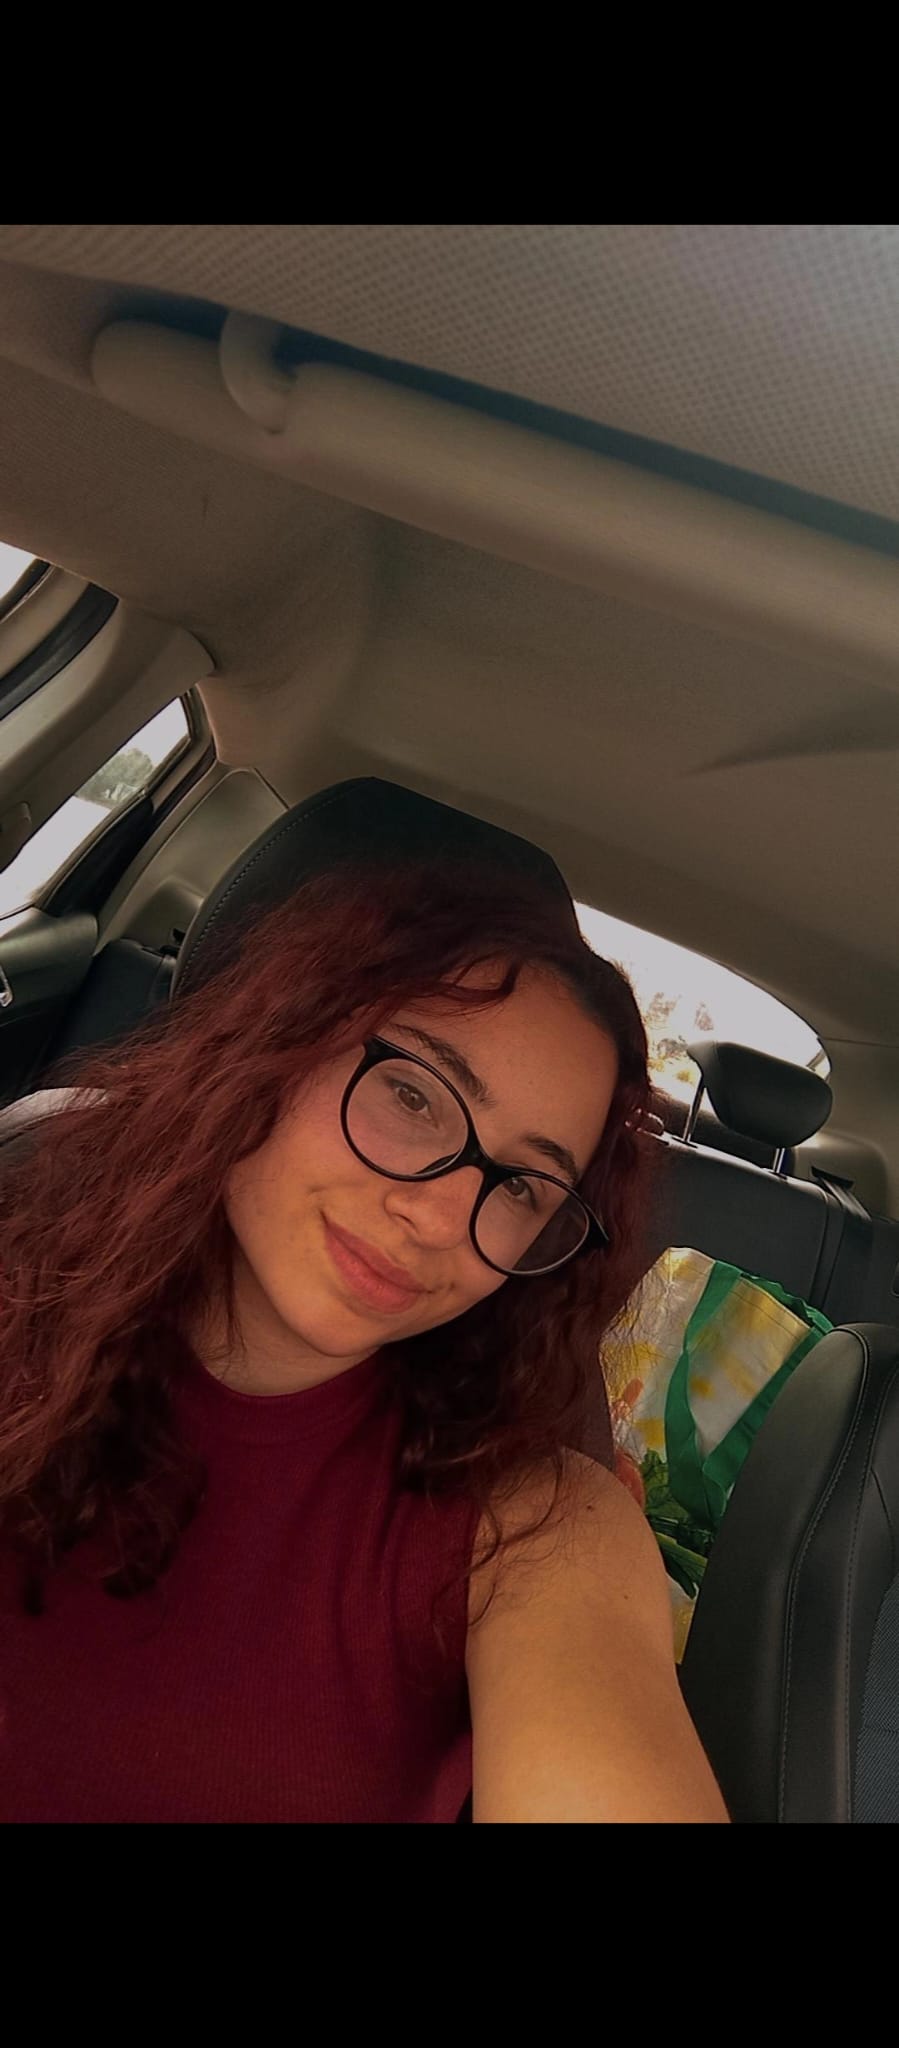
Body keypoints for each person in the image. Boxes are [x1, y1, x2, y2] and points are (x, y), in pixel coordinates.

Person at [0, 781, 728, 1822]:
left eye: (522, 1185)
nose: (440, 1216)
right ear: (275, 1043)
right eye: (412, 1093)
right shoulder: (18, 1278)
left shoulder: (535, 1526)